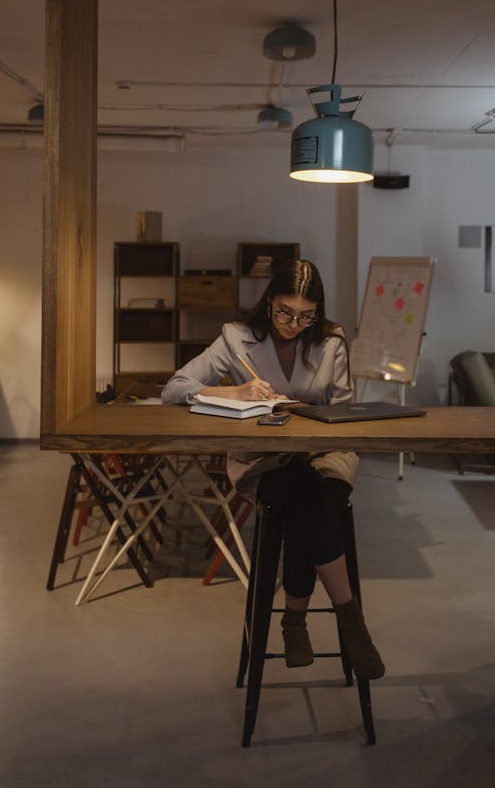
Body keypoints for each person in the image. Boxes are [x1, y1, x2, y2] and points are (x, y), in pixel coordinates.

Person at [161, 259, 384, 679]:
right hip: (262, 460)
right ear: (269, 303)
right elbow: (174, 389)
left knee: (311, 493)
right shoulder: (236, 337)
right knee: (307, 493)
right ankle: (349, 620)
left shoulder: (330, 340)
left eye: (305, 315)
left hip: (323, 455)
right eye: (284, 311)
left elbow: (345, 409)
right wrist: (233, 391)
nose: (293, 323)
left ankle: (295, 621)